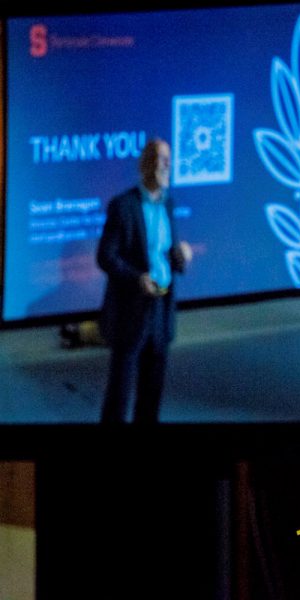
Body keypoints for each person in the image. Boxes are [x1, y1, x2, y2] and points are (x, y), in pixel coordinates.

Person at [97, 137, 192, 424]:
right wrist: (137, 279)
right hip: (131, 311)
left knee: (151, 400)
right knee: (119, 399)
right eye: (162, 159)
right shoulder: (123, 206)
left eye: (169, 160)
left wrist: (180, 256)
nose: (168, 166)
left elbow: (166, 256)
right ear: (146, 164)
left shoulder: (168, 204)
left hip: (161, 309)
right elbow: (106, 257)